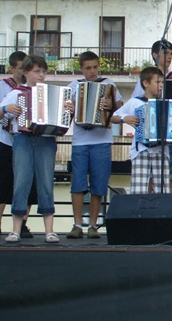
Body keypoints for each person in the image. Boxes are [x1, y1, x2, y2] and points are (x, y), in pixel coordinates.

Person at [0, 55, 72, 243]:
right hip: (23, 139)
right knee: (21, 182)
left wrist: (68, 109)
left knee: (46, 182)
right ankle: (15, 230)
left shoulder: (54, 93)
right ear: (26, 72)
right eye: (37, 71)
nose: (41, 75)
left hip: (46, 140)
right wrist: (6, 109)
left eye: (44, 72)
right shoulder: (16, 92)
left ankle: (49, 231)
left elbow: (63, 121)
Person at [66, 51, 123, 239]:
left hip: (102, 140)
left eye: (95, 67)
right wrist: (70, 107)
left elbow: (120, 106)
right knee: (78, 183)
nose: (92, 71)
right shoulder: (74, 86)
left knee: (99, 183)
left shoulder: (108, 84)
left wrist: (110, 105)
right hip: (80, 141)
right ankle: (77, 224)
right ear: (81, 69)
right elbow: (64, 111)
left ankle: (93, 225)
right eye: (88, 68)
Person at [0, 51, 38, 239]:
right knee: (4, 182)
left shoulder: (34, 89)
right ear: (13, 68)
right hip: (6, 141)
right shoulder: (2, 86)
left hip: (28, 142)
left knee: (28, 183)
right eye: (21, 67)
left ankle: (22, 224)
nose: (24, 71)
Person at [131, 40, 172, 194]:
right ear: (155, 55)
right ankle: (150, 207)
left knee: (170, 177)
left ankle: (169, 207)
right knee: (149, 177)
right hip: (150, 133)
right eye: (166, 53)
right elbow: (136, 105)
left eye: (171, 54)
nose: (169, 57)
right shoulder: (146, 79)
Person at [113, 67, 172, 195]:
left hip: (161, 151)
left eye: (162, 82)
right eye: (157, 82)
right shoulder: (135, 102)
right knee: (138, 190)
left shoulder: (168, 104)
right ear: (146, 83)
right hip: (141, 150)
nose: (161, 85)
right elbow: (113, 117)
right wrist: (125, 119)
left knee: (163, 191)